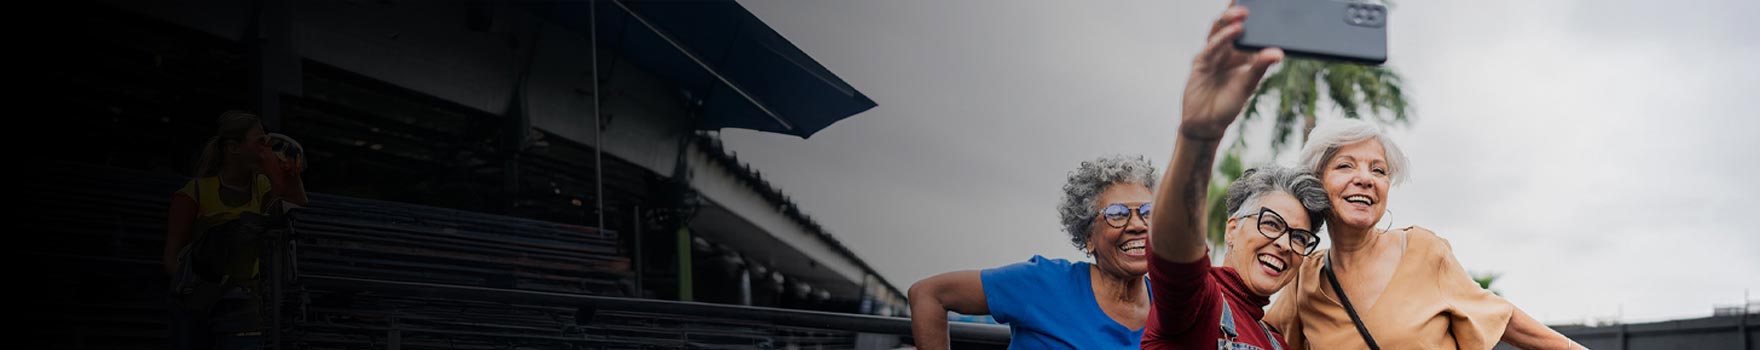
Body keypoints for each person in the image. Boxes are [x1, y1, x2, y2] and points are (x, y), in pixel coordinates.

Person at [1263, 117, 1584, 349]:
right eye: (1345, 166)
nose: (1365, 178)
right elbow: (1257, 329)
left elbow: (1504, 318)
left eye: (1379, 170)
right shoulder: (1304, 278)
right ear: (1318, 181)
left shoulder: (1422, 251)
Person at [1139, 4, 1330, 348]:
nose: (1285, 244)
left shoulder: (1277, 342)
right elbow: (1173, 258)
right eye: (1271, 223)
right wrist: (1200, 137)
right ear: (1232, 228)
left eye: (1300, 237)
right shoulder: (1198, 305)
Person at [909, 155, 1157, 349]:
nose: (1137, 225)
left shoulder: (1172, 301)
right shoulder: (1045, 283)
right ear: (1089, 237)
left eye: (1148, 212)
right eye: (1116, 214)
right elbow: (929, 294)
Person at [164, 110, 308, 349]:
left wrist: (290, 172)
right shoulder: (195, 192)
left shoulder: (260, 187)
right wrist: (197, 289)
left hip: (242, 301)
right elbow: (171, 257)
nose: (266, 147)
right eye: (260, 141)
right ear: (234, 147)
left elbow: (295, 206)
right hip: (197, 302)